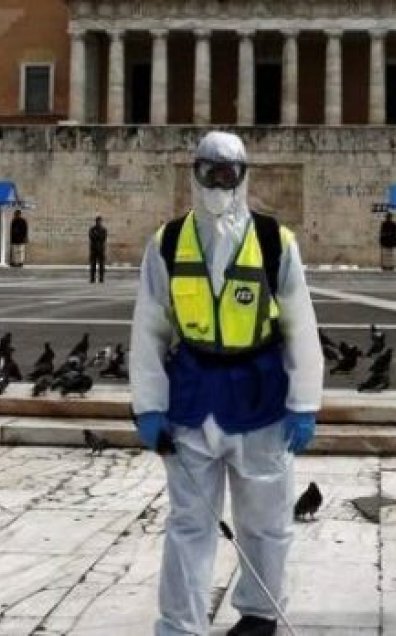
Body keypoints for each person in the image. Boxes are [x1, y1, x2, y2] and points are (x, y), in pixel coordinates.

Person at [129, 131, 323, 636]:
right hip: (193, 393)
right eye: (210, 171)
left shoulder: (274, 240)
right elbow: (149, 326)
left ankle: (259, 612)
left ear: (243, 175)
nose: (219, 182)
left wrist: (305, 402)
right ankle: (179, 624)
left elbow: (299, 324)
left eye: (228, 172)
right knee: (189, 524)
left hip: (258, 391)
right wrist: (148, 404)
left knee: (267, 521)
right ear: (194, 173)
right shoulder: (168, 241)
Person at [88, 216, 107, 283]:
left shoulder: (103, 230)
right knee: (93, 265)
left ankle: (101, 278)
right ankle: (92, 278)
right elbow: (91, 237)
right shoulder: (92, 229)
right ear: (96, 222)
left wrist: (97, 235)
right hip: (93, 249)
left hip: (101, 250)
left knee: (101, 265)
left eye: (100, 221)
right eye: (98, 221)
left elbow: (103, 238)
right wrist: (97, 236)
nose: (99, 222)